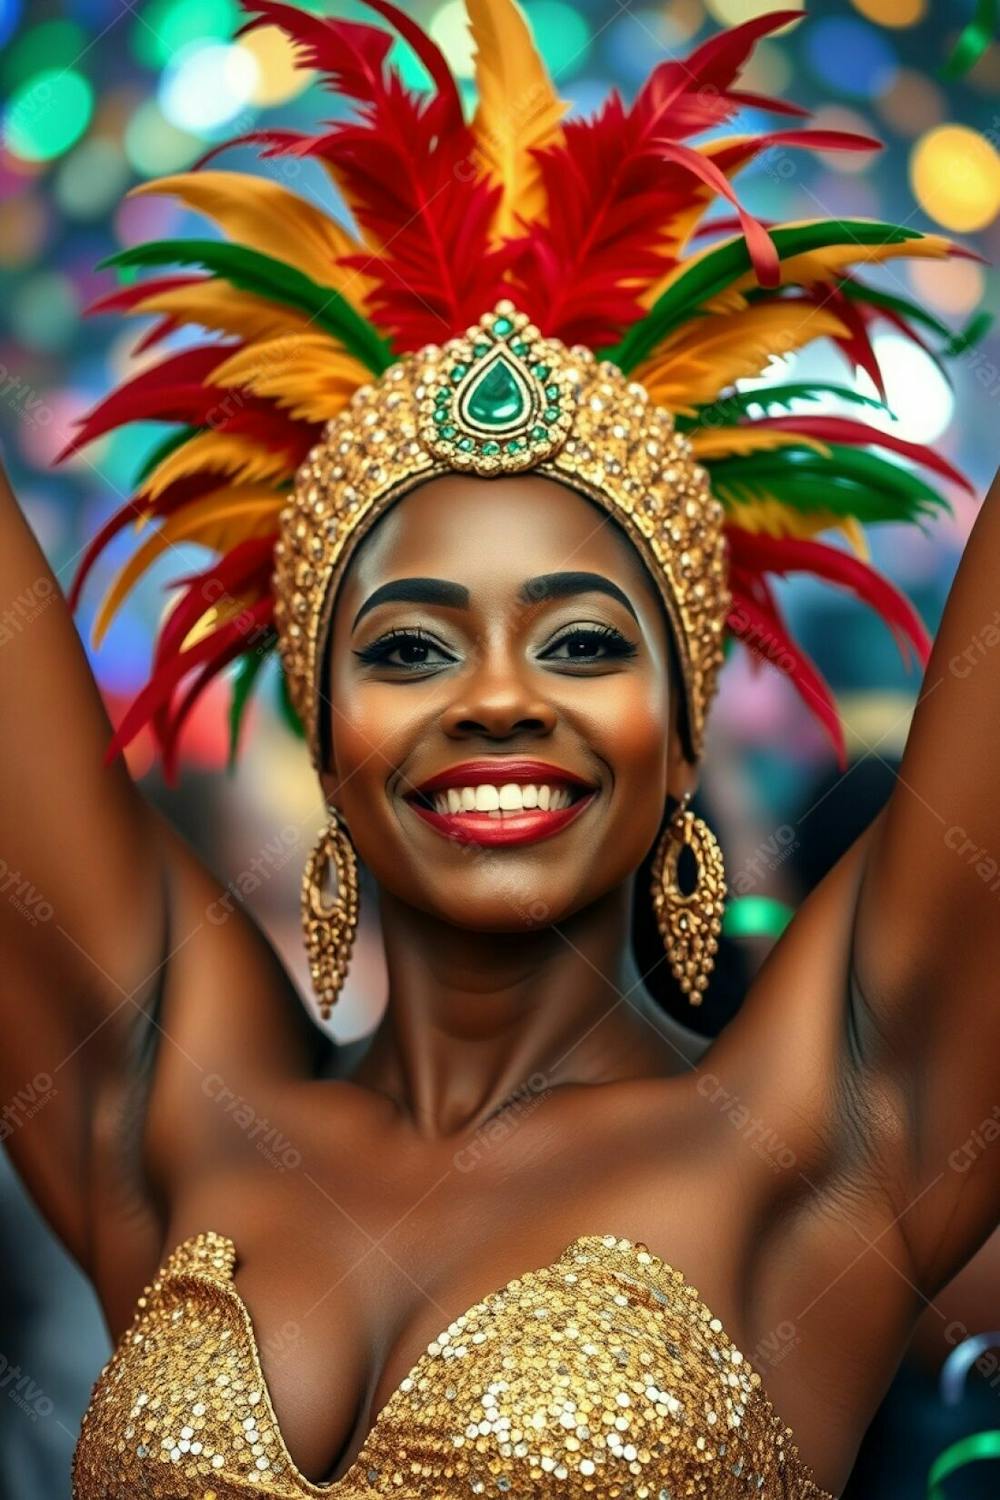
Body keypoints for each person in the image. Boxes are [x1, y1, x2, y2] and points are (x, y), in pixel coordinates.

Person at [2, 2, 997, 1496]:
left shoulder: (815, 1139)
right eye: (407, 647)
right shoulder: (173, 1114)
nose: (496, 698)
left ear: (682, 740)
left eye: (585, 642)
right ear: (328, 741)